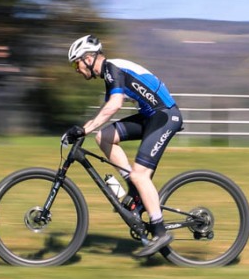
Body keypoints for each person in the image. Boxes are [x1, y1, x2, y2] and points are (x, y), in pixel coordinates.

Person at [63, 34, 184, 258]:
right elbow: (108, 109)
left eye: (75, 63)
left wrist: (85, 129)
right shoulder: (110, 74)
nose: (76, 69)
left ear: (88, 58)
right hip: (150, 116)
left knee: (140, 175)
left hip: (165, 116)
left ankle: (159, 231)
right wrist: (88, 129)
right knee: (104, 137)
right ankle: (134, 190)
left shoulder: (112, 68)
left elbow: (114, 105)